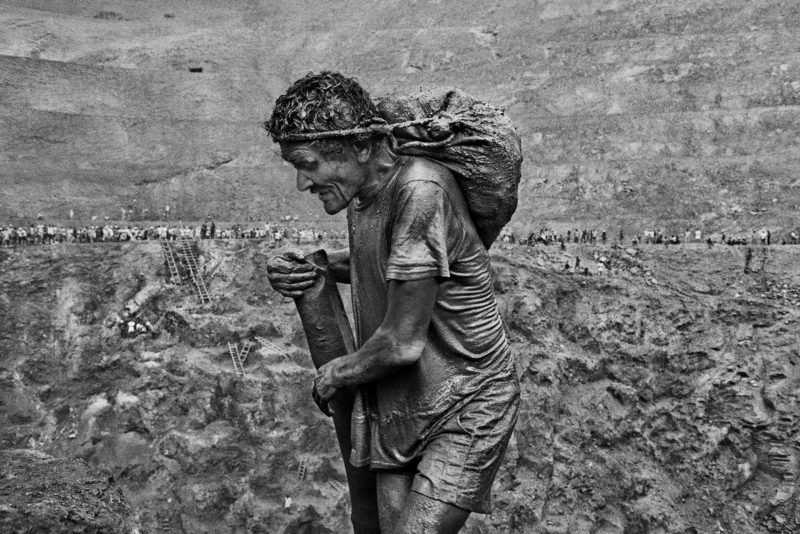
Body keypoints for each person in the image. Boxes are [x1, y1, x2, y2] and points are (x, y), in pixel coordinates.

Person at [264, 72, 519, 534]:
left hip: (466, 405)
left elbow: (401, 342)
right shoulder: (364, 194)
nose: (303, 183)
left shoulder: (421, 191)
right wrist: (314, 267)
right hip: (403, 404)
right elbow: (378, 261)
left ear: (360, 147)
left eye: (308, 163)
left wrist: (334, 375)